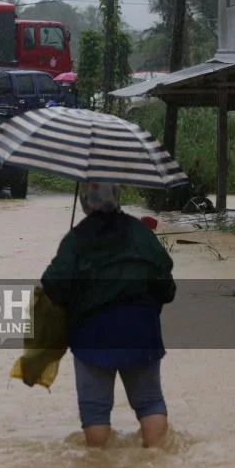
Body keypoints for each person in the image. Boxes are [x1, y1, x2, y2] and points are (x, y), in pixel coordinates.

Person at [40, 182, 176, 449]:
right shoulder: (141, 233)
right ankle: (157, 463)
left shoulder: (77, 238)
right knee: (150, 402)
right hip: (141, 330)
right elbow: (167, 287)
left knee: (95, 410)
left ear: (84, 200)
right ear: (117, 195)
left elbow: (52, 285)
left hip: (92, 334)